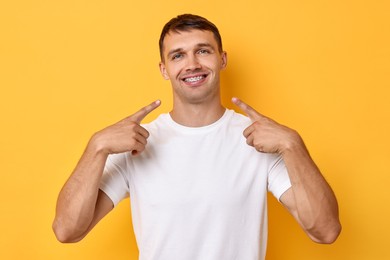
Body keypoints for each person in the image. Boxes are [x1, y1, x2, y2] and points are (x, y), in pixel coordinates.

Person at [53, 14, 341, 260]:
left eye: (203, 51)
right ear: (164, 69)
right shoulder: (138, 142)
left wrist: (293, 145)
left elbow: (325, 230)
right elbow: (67, 230)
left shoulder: (258, 140)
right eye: (178, 55)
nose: (192, 64)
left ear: (222, 59)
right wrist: (97, 147)